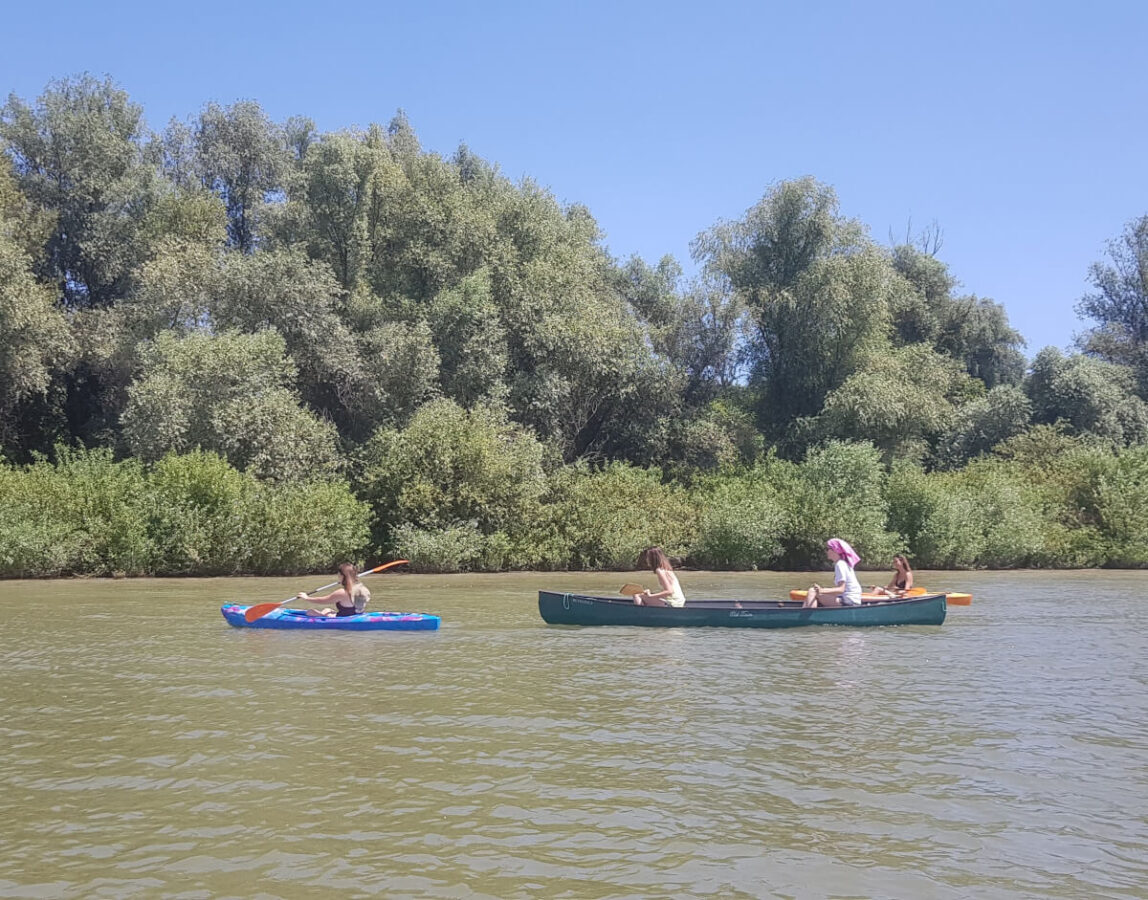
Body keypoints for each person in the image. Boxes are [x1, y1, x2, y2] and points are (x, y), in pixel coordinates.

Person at [803, 538, 862, 608]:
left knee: (812, 591)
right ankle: (805, 612)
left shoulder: (840, 564)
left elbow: (841, 589)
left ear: (835, 550)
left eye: (828, 549)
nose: (826, 551)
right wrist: (823, 591)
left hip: (849, 601)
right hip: (852, 600)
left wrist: (822, 590)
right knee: (815, 592)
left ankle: (806, 616)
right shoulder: (844, 563)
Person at [300, 563, 371, 617]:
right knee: (327, 610)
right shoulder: (362, 589)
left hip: (344, 619)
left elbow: (323, 600)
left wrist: (307, 598)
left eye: (339, 575)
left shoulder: (342, 593)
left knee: (310, 612)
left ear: (342, 576)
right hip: (357, 616)